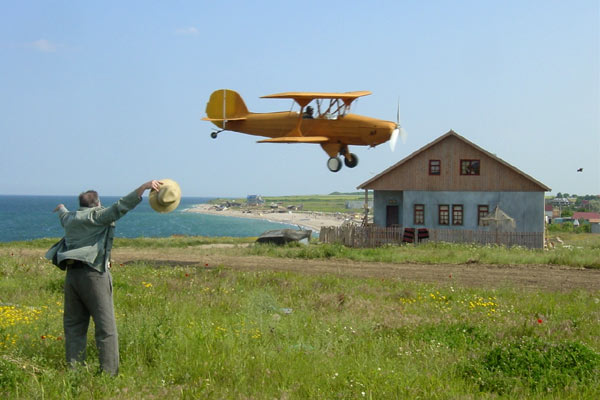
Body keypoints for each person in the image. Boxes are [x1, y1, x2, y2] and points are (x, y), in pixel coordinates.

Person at [46, 180, 162, 375]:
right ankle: (108, 374)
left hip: (72, 276)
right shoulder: (98, 216)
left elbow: (63, 213)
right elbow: (121, 206)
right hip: (94, 275)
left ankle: (75, 372)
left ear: (81, 205)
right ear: (97, 204)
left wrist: (61, 207)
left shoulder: (70, 218)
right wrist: (143, 187)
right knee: (106, 328)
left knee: (74, 326)